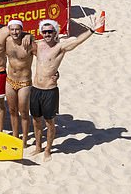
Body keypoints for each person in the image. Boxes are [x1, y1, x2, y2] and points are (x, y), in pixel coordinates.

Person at [30, 17, 104, 161]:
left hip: (50, 90)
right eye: (44, 32)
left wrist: (92, 30)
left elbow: (76, 41)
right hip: (35, 88)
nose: (47, 34)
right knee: (36, 120)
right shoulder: (38, 45)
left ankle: (48, 150)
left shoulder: (60, 47)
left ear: (55, 32)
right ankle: (38, 146)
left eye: (50, 31)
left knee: (49, 122)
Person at [5, 20, 33, 145]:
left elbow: (44, 58)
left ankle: (25, 139)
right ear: (9, 30)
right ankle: (15, 136)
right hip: (10, 80)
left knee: (24, 112)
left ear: (21, 30)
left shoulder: (29, 43)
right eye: (12, 29)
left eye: (17, 29)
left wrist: (29, 35)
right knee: (12, 110)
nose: (15, 32)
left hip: (24, 82)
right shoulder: (7, 41)